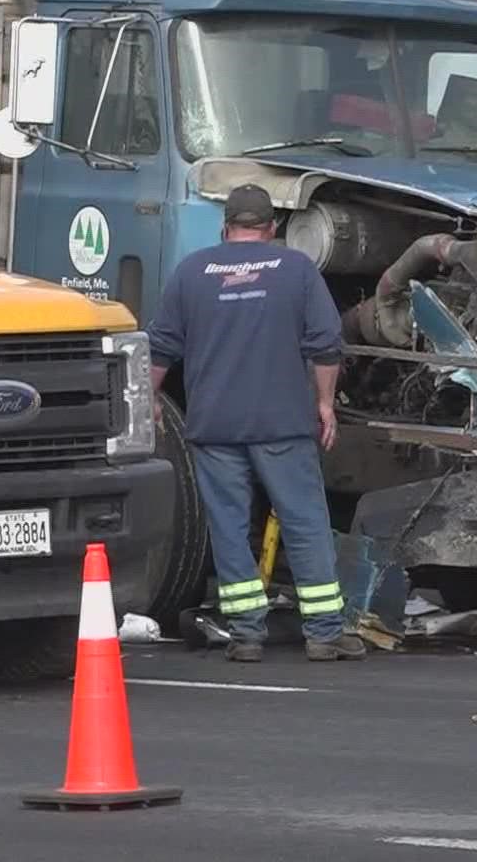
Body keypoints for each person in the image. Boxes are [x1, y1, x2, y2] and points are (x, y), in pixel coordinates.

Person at [146, 183, 366, 663]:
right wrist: (325, 403)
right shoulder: (297, 270)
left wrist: (151, 398)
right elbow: (326, 344)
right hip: (283, 424)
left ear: (226, 227)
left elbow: (159, 348)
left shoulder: (192, 272)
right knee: (304, 522)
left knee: (228, 526)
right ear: (272, 229)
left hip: (215, 426)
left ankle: (246, 635)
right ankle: (325, 634)